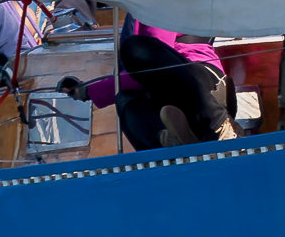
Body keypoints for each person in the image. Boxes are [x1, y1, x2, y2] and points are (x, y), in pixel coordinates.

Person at [66, 21, 237, 150]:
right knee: (125, 99)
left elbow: (151, 69)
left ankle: (220, 126)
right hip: (171, 101)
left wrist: (88, 91)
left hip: (204, 87)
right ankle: (169, 143)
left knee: (136, 49)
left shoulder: (159, 5)